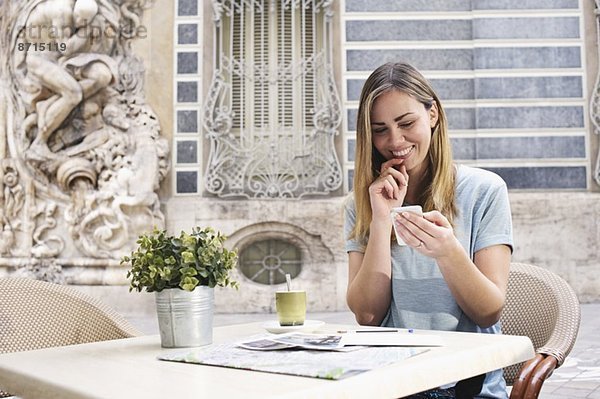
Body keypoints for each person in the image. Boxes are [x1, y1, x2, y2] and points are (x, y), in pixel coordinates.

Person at [344, 62, 513, 398]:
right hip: (393, 383)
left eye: (407, 123)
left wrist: (448, 252)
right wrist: (380, 221)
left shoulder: (484, 191)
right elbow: (367, 314)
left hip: (469, 387)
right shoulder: (362, 203)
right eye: (379, 130)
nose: (395, 141)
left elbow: (488, 310)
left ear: (432, 114)